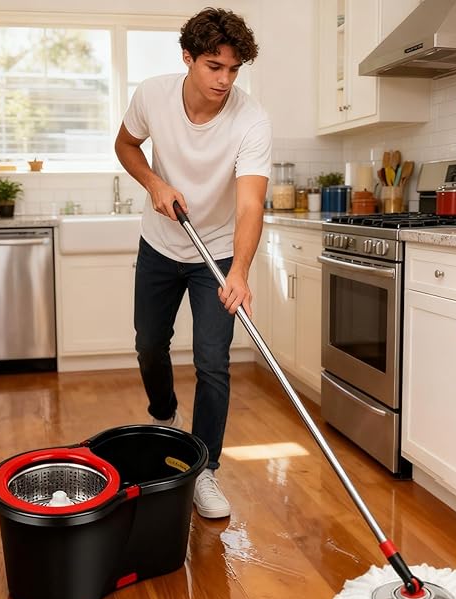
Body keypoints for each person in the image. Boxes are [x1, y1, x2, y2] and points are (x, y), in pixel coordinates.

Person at [114, 7, 271, 519]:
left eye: (233, 69)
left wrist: (240, 270)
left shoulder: (251, 119)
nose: (224, 80)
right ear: (187, 57)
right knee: (148, 344)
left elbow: (250, 204)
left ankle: (204, 469)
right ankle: (165, 416)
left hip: (217, 251)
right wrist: (154, 183)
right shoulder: (152, 95)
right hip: (160, 243)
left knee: (213, 361)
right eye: (213, 66)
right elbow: (126, 144)